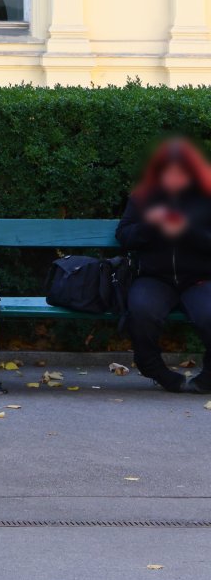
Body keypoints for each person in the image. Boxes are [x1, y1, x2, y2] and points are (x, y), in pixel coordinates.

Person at [116, 136, 211, 393]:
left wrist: (187, 229)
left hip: (200, 278)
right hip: (154, 277)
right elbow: (124, 236)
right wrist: (152, 227)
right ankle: (154, 369)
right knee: (142, 311)